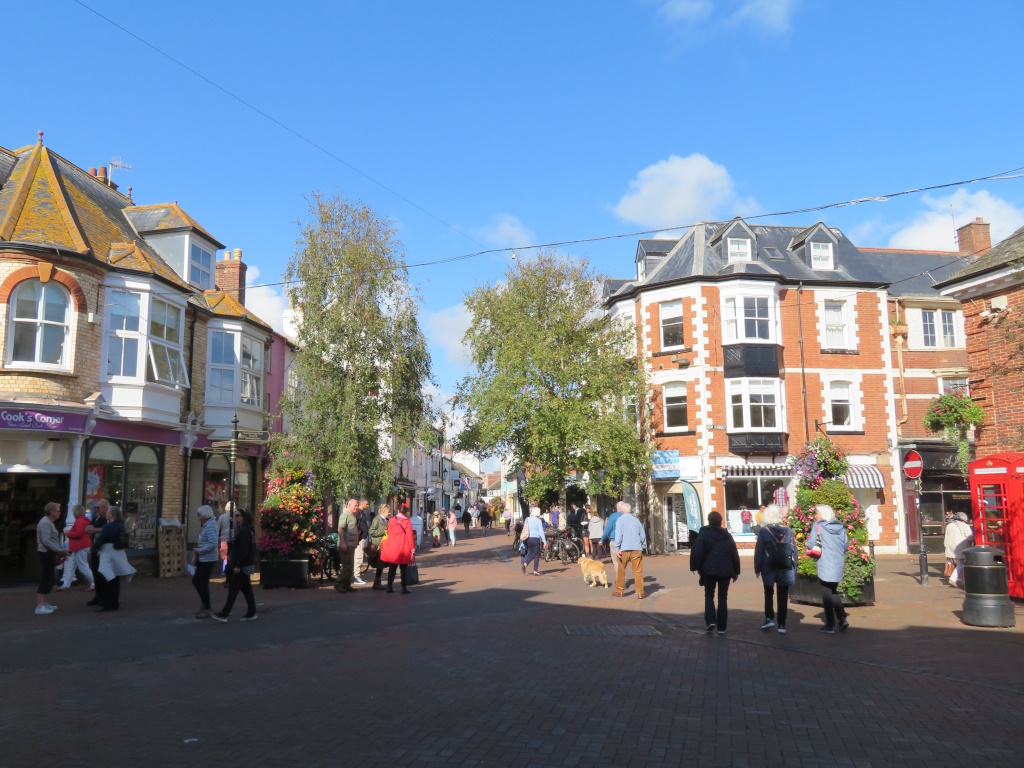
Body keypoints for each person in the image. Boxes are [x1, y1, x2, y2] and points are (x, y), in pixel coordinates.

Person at [690, 511, 741, 634]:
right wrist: (736, 571)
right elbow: (734, 553)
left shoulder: (704, 534)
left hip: (709, 570)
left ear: (709, 520)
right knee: (723, 598)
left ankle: (710, 621)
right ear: (721, 521)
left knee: (709, 595)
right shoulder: (727, 536)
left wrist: (696, 567)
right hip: (726, 570)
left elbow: (697, 552)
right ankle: (722, 627)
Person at [753, 504, 796, 634]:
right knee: (783, 595)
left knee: (768, 592)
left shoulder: (764, 531)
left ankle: (769, 618)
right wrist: (795, 567)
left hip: (768, 565)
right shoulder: (788, 531)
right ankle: (782, 624)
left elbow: (759, 551)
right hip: (784, 565)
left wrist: (757, 568)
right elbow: (793, 550)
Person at [806, 505, 849, 634]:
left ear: (822, 514)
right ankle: (842, 618)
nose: (815, 516)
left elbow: (811, 543)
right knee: (833, 590)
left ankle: (830, 624)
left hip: (825, 562)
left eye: (817, 513)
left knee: (826, 592)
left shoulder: (818, 526)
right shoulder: (840, 527)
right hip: (837, 562)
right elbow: (846, 545)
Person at [212, 507, 258, 622]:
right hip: (245, 563)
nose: (235, 518)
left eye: (237, 516)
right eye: (235, 515)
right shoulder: (247, 530)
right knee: (246, 588)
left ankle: (224, 613)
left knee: (233, 589)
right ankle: (252, 612)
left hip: (242, 565)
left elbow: (244, 550)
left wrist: (238, 565)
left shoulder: (245, 531)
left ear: (244, 517)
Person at [93, 506, 136, 612]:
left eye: (108, 511)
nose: (106, 513)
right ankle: (114, 602)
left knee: (106, 578)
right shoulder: (121, 526)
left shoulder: (108, 527)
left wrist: (94, 548)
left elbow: (100, 540)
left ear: (111, 514)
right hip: (119, 553)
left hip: (108, 553)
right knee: (115, 580)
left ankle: (108, 603)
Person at [35, 502, 67, 615]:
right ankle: (40, 605)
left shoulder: (48, 522)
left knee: (48, 578)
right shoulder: (45, 523)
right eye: (58, 510)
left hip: (48, 553)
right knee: (46, 578)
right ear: (52, 512)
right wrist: (60, 550)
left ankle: (44, 603)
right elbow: (46, 540)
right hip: (46, 553)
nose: (60, 512)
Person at [613, 502, 647, 599]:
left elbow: (618, 536)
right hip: (636, 549)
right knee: (638, 571)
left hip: (624, 549)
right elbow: (643, 535)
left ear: (622, 510)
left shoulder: (620, 520)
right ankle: (640, 593)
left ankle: (620, 591)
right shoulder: (636, 520)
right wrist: (638, 543)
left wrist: (617, 548)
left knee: (621, 570)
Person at [380, 505, 416, 593]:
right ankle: (403, 587)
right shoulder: (407, 521)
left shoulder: (392, 520)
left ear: (399, 511)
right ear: (406, 511)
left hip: (392, 545)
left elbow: (388, 531)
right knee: (403, 568)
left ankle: (389, 586)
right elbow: (410, 536)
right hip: (403, 546)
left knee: (392, 567)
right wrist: (412, 548)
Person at [59, 504, 95, 592]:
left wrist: (68, 534)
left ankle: (94, 583)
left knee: (82, 566)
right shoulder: (83, 521)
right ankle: (66, 584)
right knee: (72, 566)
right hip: (80, 546)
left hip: (80, 546)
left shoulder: (79, 521)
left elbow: (79, 533)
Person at [192, 505, 219, 618]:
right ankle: (205, 604)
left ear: (204, 515)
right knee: (197, 581)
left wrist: (200, 551)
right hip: (204, 557)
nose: (197, 516)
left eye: (199, 514)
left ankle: (207, 607)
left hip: (208, 558)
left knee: (201, 581)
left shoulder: (209, 526)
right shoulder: (206, 525)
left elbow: (213, 544)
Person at [84, 499, 110, 607]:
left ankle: (105, 597)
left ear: (105, 508)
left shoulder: (108, 519)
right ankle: (98, 596)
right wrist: (99, 529)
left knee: (103, 575)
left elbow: (108, 530)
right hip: (95, 549)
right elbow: (87, 529)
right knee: (95, 573)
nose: (96, 509)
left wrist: (96, 529)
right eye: (95, 507)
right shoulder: (96, 518)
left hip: (104, 550)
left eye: (98, 507)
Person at [334, 498, 359, 593]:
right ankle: (338, 584)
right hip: (346, 545)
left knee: (351, 566)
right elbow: (340, 529)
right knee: (347, 566)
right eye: (355, 505)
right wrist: (343, 543)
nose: (356, 507)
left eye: (357, 505)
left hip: (352, 545)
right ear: (349, 505)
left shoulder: (352, 515)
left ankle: (346, 585)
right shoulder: (345, 515)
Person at [944, 511, 974, 587]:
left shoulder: (949, 525)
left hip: (951, 547)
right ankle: (953, 579)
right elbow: (970, 537)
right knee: (961, 563)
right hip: (962, 547)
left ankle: (964, 581)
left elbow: (946, 538)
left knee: (960, 563)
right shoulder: (964, 526)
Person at [601, 502, 625, 583]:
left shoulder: (613, 516)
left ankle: (620, 579)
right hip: (626, 542)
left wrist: (602, 539)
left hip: (614, 540)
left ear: (617, 508)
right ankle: (622, 577)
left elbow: (607, 529)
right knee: (623, 561)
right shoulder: (628, 516)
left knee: (616, 561)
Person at [520, 506, 546, 576]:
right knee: (536, 554)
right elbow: (541, 531)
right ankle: (535, 570)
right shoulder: (538, 521)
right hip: (536, 538)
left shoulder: (527, 519)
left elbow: (525, 528)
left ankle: (525, 564)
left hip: (528, 538)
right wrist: (544, 541)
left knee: (531, 552)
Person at [216, 500, 235, 577]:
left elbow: (218, 529)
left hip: (224, 538)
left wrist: (217, 540)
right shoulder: (237, 516)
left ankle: (224, 570)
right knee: (232, 555)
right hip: (234, 539)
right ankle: (231, 570)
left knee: (224, 556)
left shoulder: (222, 517)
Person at [354, 498, 370, 583]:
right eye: (366, 504)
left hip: (362, 538)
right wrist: (358, 532)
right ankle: (356, 577)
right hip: (359, 539)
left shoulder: (362, 513)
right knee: (358, 557)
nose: (368, 506)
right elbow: (354, 524)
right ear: (362, 504)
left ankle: (356, 576)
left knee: (359, 556)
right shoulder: (358, 513)